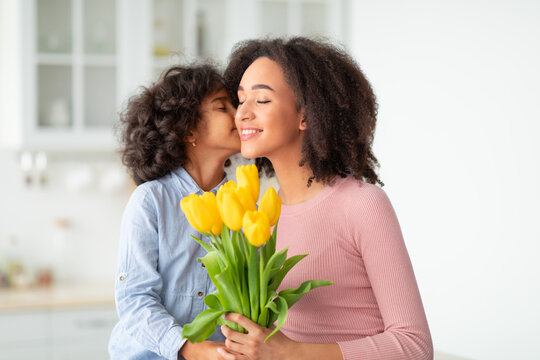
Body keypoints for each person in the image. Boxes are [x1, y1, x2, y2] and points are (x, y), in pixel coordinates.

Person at [217, 37, 433, 360]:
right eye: (241, 99)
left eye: (261, 100)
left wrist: (291, 353)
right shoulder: (261, 213)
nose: (242, 113)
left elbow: (414, 346)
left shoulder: (362, 205)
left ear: (305, 115)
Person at [108, 64, 240, 360]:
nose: (239, 114)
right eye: (223, 107)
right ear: (188, 129)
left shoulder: (243, 203)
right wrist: (188, 348)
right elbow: (135, 299)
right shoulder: (151, 200)